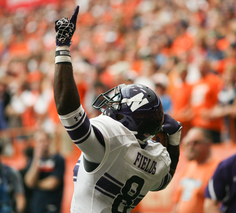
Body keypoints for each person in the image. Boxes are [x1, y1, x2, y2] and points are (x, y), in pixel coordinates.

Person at [53, 6, 181, 213]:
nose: (112, 106)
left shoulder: (113, 139)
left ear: (131, 117)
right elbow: (165, 179)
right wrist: (174, 141)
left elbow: (69, 113)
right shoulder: (156, 157)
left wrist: (62, 49)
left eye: (119, 105)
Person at [171, 128, 220, 213]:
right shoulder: (189, 167)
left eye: (196, 143)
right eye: (188, 143)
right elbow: (177, 202)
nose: (191, 147)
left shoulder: (217, 168)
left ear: (208, 144)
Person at [24, 130, 65, 213]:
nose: (41, 144)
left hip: (52, 205)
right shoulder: (33, 160)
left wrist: (35, 183)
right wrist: (36, 158)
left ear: (49, 141)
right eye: (38, 141)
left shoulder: (58, 159)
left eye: (43, 140)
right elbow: (29, 182)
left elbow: (52, 183)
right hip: (36, 206)